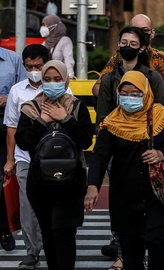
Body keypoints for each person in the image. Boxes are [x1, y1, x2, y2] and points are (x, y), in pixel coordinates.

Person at [85, 70, 164, 270]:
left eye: (136, 93)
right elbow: (99, 156)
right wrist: (92, 186)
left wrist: (161, 153)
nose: (129, 98)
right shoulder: (112, 122)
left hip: (157, 194)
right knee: (131, 250)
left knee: (157, 240)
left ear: (146, 93)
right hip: (124, 196)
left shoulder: (161, 116)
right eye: (125, 93)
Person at [15, 60, 93, 270]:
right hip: (40, 182)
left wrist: (65, 118)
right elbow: (23, 142)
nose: (52, 84)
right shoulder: (30, 108)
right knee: (48, 232)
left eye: (57, 79)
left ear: (65, 80)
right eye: (47, 80)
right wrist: (41, 120)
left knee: (65, 232)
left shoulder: (76, 106)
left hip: (71, 182)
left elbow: (85, 140)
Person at [4, 44, 49, 269]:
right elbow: (11, 127)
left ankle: (52, 247)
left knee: (50, 206)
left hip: (52, 160)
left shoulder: (61, 89)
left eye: (38, 66)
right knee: (27, 207)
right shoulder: (17, 91)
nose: (34, 70)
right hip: (24, 158)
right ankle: (32, 251)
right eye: (29, 66)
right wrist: (10, 160)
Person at [93, 14, 164, 122]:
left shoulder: (162, 59)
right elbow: (98, 87)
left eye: (144, 30)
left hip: (152, 115)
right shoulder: (118, 58)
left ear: (152, 33)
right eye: (136, 30)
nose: (140, 34)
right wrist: (122, 99)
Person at [0, 46, 26, 253]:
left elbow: (24, 88)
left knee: (4, 178)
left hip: (6, 123)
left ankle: (4, 229)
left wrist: (7, 99)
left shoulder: (13, 59)